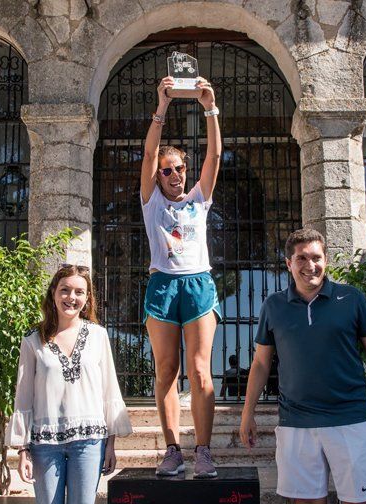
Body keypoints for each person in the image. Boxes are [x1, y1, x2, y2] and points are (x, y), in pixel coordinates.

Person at [239, 228, 366, 504]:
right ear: (289, 263)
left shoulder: (352, 298)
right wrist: (247, 413)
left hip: (351, 420)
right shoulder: (273, 306)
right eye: (302, 258)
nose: (309, 265)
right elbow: (260, 364)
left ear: (326, 261)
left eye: (316, 258)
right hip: (297, 425)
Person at [7, 265, 133, 504]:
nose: (71, 297)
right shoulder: (32, 340)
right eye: (65, 289)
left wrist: (110, 444)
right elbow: (23, 397)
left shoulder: (99, 336)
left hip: (89, 444)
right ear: (53, 293)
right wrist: (22, 450)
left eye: (79, 291)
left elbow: (109, 389)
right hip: (45, 445)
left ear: (87, 298)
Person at [140, 75, 222, 478]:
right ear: (158, 175)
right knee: (166, 370)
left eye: (179, 168)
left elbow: (215, 158)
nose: (174, 174)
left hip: (198, 283)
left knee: (201, 370)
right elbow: (149, 151)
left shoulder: (199, 200)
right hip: (162, 285)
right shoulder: (152, 202)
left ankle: (203, 451)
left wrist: (210, 108)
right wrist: (163, 105)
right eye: (167, 170)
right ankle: (173, 449)